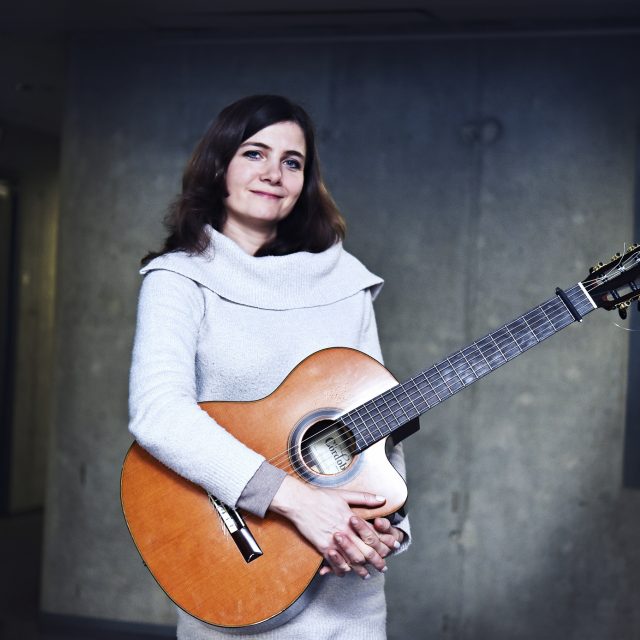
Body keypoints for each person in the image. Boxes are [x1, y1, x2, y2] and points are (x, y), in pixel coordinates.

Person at [128, 95, 411, 640]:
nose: (273, 173)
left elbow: (380, 425)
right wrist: (298, 502)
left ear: (305, 182)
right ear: (219, 166)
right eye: (254, 153)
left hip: (344, 586)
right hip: (236, 569)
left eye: (292, 162)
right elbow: (159, 414)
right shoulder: (179, 279)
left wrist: (388, 527)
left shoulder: (346, 283)